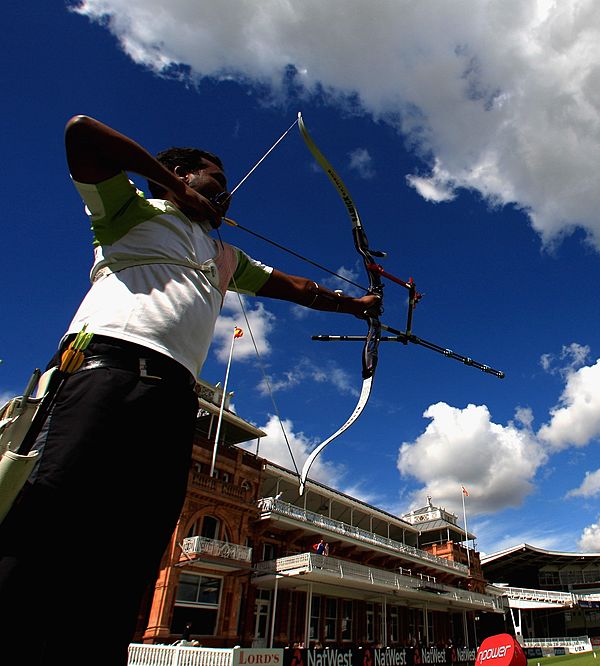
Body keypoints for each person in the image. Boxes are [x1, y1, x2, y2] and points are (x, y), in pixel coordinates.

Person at [0, 115, 380, 663]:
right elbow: (82, 134)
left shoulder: (225, 257)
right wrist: (172, 187)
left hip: (174, 396)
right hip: (106, 369)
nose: (224, 193)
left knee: (137, 540)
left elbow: (294, 287)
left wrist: (355, 305)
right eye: (212, 179)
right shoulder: (129, 211)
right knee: (53, 512)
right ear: (177, 174)